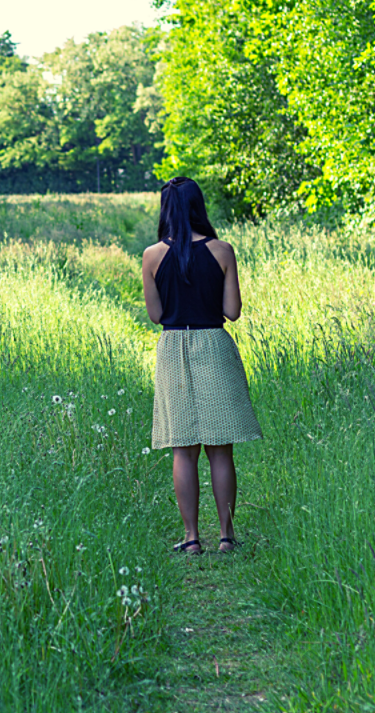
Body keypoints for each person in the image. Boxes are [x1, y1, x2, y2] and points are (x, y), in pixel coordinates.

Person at [140, 177, 262, 555]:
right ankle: (226, 536)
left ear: (165, 209)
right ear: (199, 206)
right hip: (214, 344)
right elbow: (232, 312)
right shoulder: (223, 250)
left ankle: (192, 538)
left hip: (174, 346)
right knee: (220, 449)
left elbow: (156, 315)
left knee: (183, 449)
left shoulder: (151, 255)